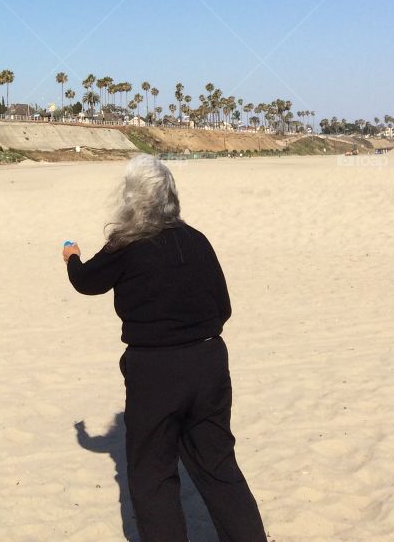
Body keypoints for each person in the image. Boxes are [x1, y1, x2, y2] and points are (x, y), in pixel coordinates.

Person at [63, 154, 268, 542]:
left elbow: (86, 282)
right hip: (209, 362)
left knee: (152, 474)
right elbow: (223, 307)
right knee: (218, 467)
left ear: (131, 199)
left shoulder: (125, 244)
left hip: (155, 370)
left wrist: (71, 257)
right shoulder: (196, 240)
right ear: (170, 195)